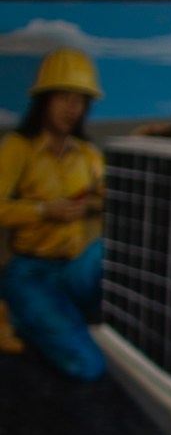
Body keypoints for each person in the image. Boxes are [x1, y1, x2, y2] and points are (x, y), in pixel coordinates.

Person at [0, 48, 109, 380]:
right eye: (63, 98)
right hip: (30, 272)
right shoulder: (18, 148)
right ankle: (17, 314)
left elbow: (107, 197)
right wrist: (45, 210)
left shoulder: (88, 155)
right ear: (44, 100)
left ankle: (64, 314)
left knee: (109, 249)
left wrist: (86, 205)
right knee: (89, 367)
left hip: (72, 269)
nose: (71, 109)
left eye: (79, 100)